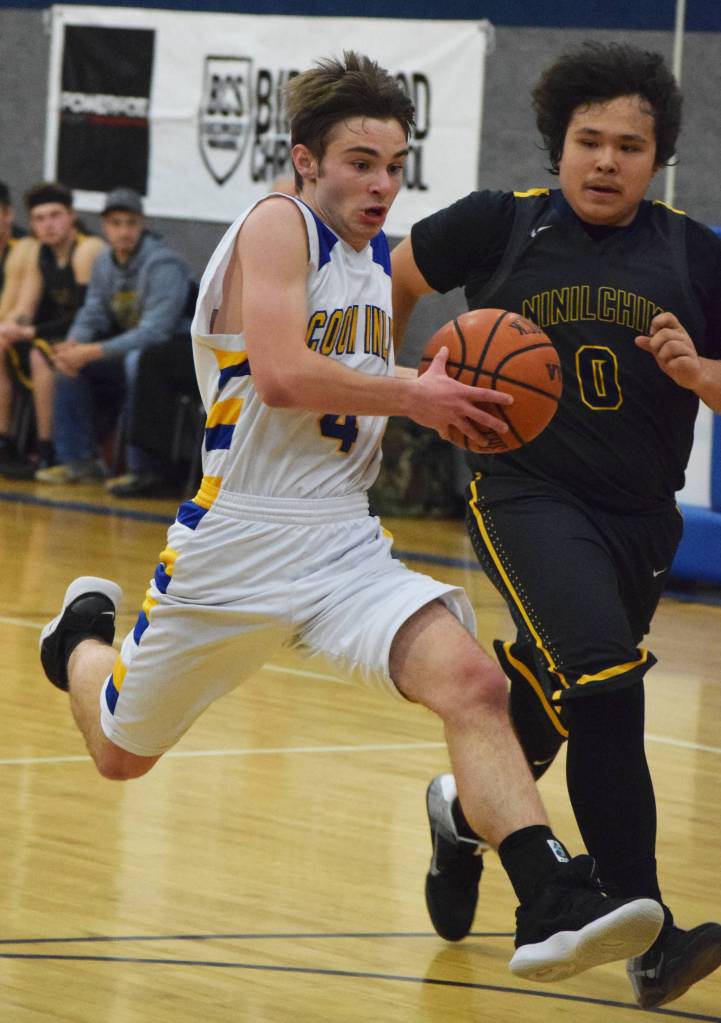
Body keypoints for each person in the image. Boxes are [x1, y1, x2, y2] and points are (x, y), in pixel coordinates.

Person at [38, 51, 664, 985]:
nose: (381, 183)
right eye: (360, 163)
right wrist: (418, 391)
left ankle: (548, 895)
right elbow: (285, 375)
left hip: (339, 536)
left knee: (471, 683)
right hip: (238, 539)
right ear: (305, 162)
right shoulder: (275, 226)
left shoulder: (373, 263)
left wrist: (449, 397)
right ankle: (78, 645)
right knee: (120, 756)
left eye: (394, 164)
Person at [391, 41, 721, 1010]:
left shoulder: (693, 253)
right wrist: (407, 388)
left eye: (629, 144)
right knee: (608, 684)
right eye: (589, 140)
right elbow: (388, 282)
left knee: (561, 687)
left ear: (657, 156)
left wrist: (702, 375)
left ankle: (463, 815)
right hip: (525, 496)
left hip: (639, 519)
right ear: (557, 143)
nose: (606, 160)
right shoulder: (498, 226)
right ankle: (647, 928)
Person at [35, 187, 194, 485]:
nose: (123, 231)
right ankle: (77, 461)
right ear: (105, 226)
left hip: (172, 352)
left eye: (130, 223)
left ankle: (139, 467)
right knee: (69, 365)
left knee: (137, 361)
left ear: (142, 223)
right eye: (116, 223)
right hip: (131, 346)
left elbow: (155, 331)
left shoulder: (164, 264)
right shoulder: (104, 262)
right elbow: (92, 311)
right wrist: (73, 344)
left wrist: (92, 351)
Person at [0, 182, 105, 477]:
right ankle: (5, 441)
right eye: (39, 218)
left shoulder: (87, 248)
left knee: (40, 353)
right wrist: (12, 328)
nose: (48, 225)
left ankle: (46, 449)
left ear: (71, 215)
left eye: (55, 215)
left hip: (97, 335)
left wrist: (31, 332)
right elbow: (25, 308)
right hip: (59, 331)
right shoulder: (42, 254)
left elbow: (87, 315)